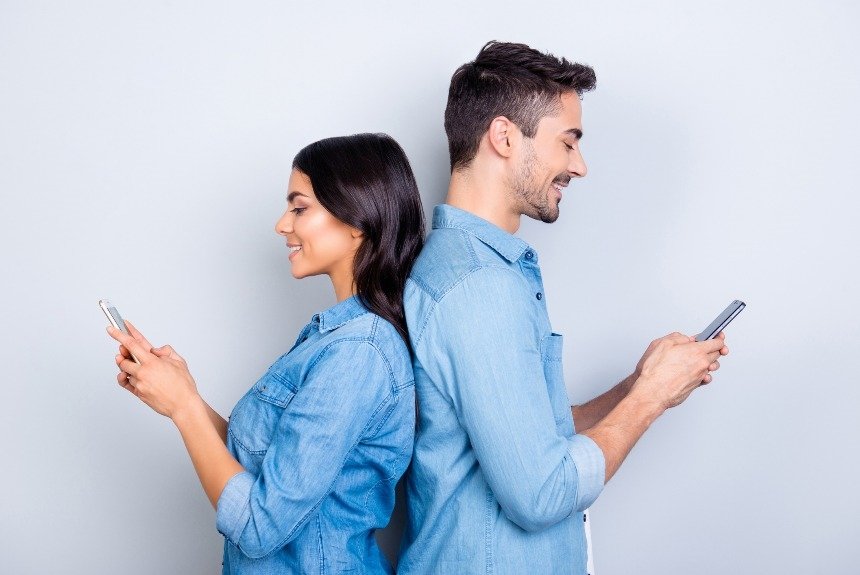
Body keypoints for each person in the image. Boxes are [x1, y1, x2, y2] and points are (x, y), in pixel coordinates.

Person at [396, 41, 730, 575]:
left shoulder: (480, 270)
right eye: (568, 142)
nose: (580, 166)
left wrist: (638, 384)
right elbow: (541, 491)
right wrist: (650, 398)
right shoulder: (479, 286)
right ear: (505, 137)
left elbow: (530, 435)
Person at [107, 133, 425, 574]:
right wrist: (183, 393)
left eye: (299, 208)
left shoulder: (359, 353)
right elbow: (263, 466)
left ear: (357, 221)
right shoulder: (333, 339)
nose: (281, 225)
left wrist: (183, 408)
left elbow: (260, 525)